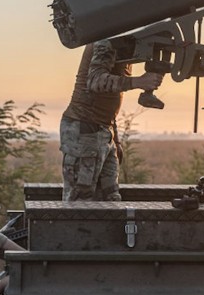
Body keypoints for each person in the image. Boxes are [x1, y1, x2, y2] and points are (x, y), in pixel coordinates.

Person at [61, 39, 163, 201]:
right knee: (80, 201)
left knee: (110, 197)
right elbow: (95, 80)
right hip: (84, 129)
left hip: (103, 129)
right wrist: (138, 82)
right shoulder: (106, 40)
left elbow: (109, 97)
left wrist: (115, 139)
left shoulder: (123, 43)